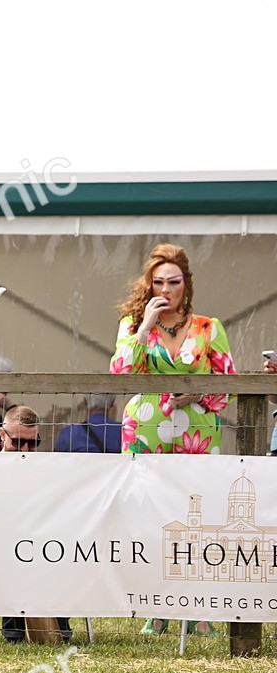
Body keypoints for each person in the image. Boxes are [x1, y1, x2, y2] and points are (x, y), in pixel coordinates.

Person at [110, 243, 233, 635]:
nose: (166, 289)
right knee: (151, 517)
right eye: (158, 282)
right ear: (148, 285)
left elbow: (228, 388)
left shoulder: (209, 328)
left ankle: (197, 609)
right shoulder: (132, 325)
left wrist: (196, 392)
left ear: (186, 284)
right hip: (145, 430)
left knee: (199, 517)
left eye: (173, 282)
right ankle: (156, 608)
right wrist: (145, 326)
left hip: (197, 432)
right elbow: (120, 373)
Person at [0, 406, 73, 643]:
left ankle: (59, 631)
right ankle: (14, 633)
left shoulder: (49, 469)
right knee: (9, 557)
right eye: (18, 442)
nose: (26, 450)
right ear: (2, 435)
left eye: (33, 443)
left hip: (41, 544)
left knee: (57, 553)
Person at [54, 393, 123, 453]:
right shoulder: (123, 431)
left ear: (85, 402)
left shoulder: (69, 433)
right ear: (112, 403)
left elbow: (57, 460)